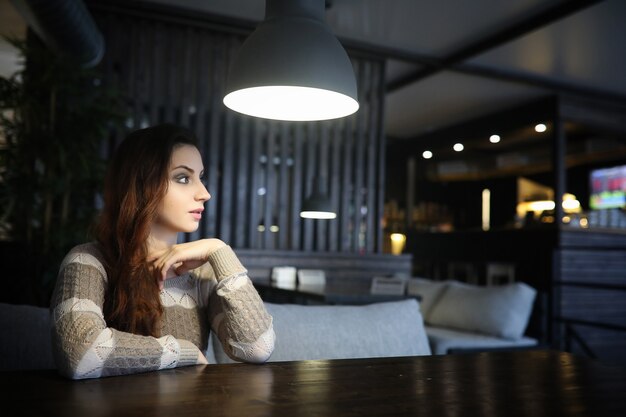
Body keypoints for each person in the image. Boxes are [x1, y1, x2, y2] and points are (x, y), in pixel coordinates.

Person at [50, 123, 275, 379]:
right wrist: (182, 352)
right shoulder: (88, 261)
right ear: (142, 185)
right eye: (183, 178)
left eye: (201, 177)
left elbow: (258, 348)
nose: (204, 193)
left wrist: (220, 250)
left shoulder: (202, 273)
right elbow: (79, 352)